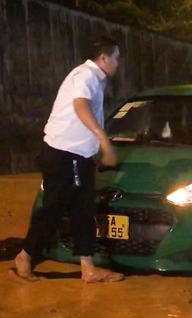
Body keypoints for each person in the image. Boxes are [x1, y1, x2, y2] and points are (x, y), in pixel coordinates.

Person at [13, 36, 124, 283]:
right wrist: (103, 139)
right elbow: (80, 106)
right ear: (104, 58)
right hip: (63, 153)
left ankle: (88, 268)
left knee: (82, 210)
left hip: (78, 156)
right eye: (116, 58)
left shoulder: (94, 79)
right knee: (55, 207)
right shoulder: (85, 76)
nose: (118, 63)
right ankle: (26, 255)